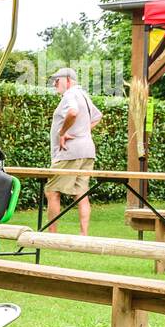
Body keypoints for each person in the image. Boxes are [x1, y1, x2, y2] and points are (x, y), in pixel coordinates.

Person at [45, 67, 101, 235]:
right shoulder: (83, 95)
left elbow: (73, 112)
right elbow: (98, 116)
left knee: (52, 191)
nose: (55, 84)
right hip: (87, 151)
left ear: (68, 80)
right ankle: (84, 236)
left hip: (70, 152)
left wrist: (63, 133)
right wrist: (82, 133)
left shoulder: (70, 94)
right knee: (81, 194)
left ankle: (52, 234)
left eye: (58, 80)